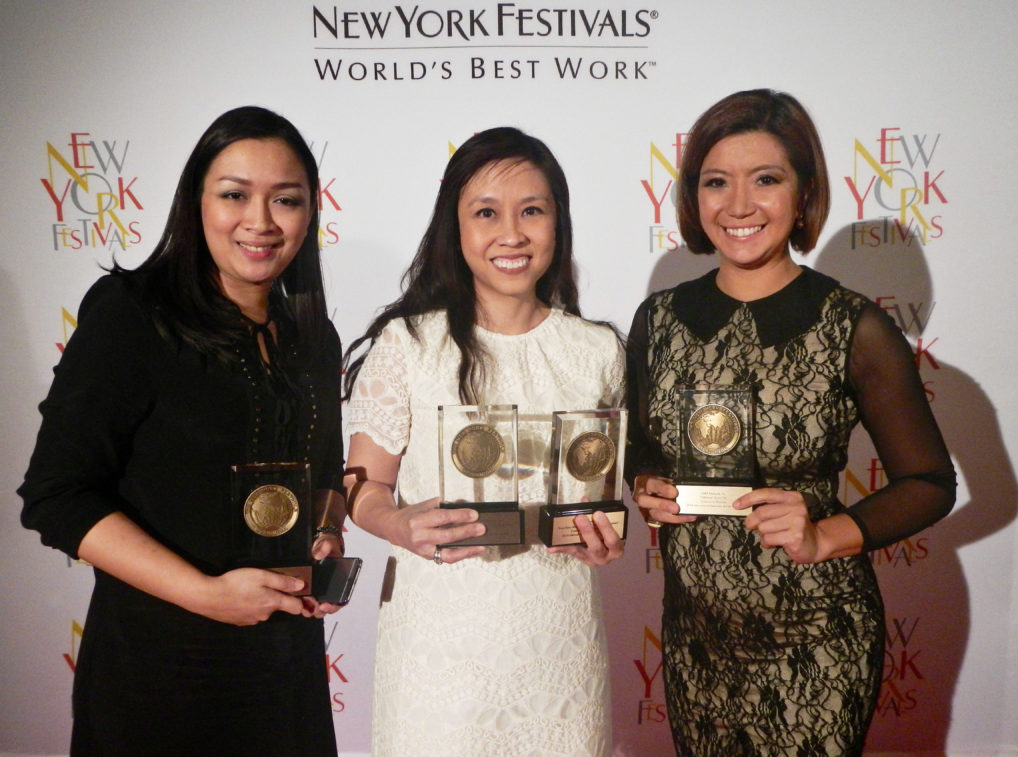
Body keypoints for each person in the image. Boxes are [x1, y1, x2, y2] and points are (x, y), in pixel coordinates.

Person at [626, 90, 956, 756]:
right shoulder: (656, 320)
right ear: (694, 199)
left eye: (766, 179)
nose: (739, 204)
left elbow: (929, 481)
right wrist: (646, 484)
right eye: (716, 182)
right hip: (696, 641)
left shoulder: (853, 325)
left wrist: (828, 534)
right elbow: (640, 448)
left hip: (819, 640)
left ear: (803, 194)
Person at [19, 106, 345, 756]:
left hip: (286, 676)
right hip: (160, 678)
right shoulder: (133, 316)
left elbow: (325, 475)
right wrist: (205, 594)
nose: (260, 221)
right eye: (234, 195)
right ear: (196, 201)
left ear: (311, 213)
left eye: (286, 199)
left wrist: (327, 533)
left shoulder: (314, 335)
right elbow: (58, 495)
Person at [343, 126, 625, 756]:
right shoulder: (410, 344)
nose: (512, 234)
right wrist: (396, 524)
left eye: (532, 211)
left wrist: (606, 534)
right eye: (487, 213)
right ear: (456, 228)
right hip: (437, 654)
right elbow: (362, 488)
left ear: (559, 221)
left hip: (560, 645)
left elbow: (599, 490)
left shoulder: (598, 350)